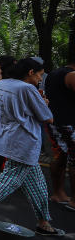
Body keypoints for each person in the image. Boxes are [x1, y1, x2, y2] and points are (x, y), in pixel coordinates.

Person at [0, 58, 65, 237]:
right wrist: (44, 103)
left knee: (37, 185)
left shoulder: (5, 84)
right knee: (6, 182)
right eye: (39, 75)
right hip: (24, 143)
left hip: (8, 139)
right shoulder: (27, 89)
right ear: (30, 72)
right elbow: (48, 117)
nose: (40, 79)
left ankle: (44, 223)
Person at [44, 57, 75, 212]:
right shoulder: (71, 75)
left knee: (61, 156)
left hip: (55, 122)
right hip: (69, 124)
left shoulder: (54, 74)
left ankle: (58, 193)